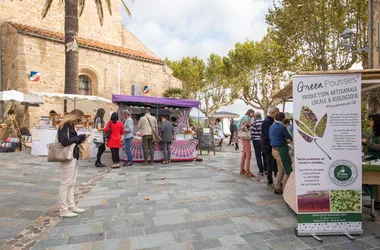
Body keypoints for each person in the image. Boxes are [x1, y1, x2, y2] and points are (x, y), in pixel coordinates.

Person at [57, 109, 87, 218]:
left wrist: (81, 139)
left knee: (72, 182)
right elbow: (64, 141)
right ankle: (63, 210)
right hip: (67, 157)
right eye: (78, 120)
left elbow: (72, 140)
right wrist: (79, 137)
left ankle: (71, 205)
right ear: (74, 117)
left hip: (73, 156)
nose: (78, 122)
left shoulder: (70, 126)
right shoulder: (63, 126)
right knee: (65, 183)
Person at [269, 112, 292, 194]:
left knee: (280, 169)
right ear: (283, 118)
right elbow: (289, 137)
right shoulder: (282, 127)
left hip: (274, 150)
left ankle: (277, 186)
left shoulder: (272, 126)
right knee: (288, 170)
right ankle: (284, 187)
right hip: (281, 150)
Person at [363, 114, 380, 210]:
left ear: (376, 122)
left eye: (371, 120)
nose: (369, 122)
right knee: (375, 182)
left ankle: (378, 201)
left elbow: (378, 147)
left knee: (377, 181)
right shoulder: (372, 132)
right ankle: (376, 201)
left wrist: (366, 142)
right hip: (371, 159)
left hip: (377, 160)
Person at [261, 107, 280, 188]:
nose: (278, 115)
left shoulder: (269, 121)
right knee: (270, 163)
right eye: (277, 113)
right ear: (273, 113)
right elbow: (269, 135)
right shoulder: (267, 122)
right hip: (267, 145)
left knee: (272, 163)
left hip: (267, 144)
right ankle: (270, 181)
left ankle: (275, 179)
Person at [237, 109, 255, 177]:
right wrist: (249, 125)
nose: (253, 114)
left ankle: (242, 169)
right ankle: (247, 170)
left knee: (244, 153)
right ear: (250, 112)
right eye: (252, 113)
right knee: (248, 154)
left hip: (243, 137)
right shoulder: (246, 118)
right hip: (245, 137)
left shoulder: (244, 117)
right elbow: (244, 128)